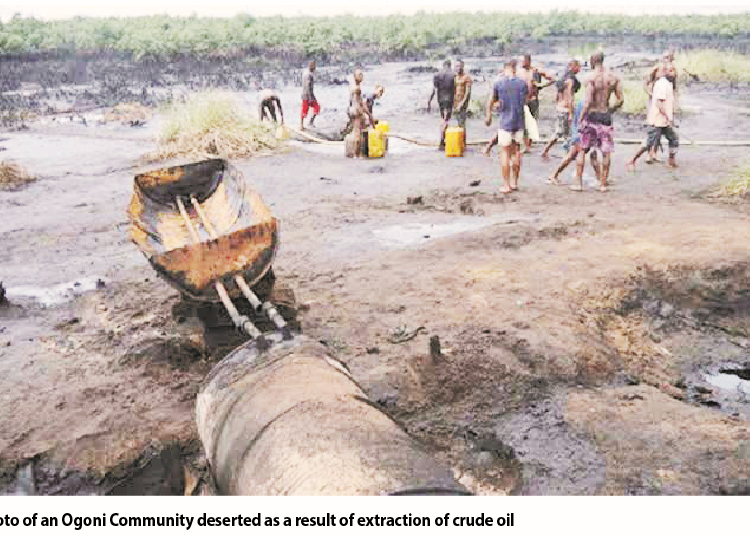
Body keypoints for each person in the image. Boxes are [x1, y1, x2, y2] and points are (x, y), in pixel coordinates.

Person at [571, 52, 624, 193]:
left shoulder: (590, 78)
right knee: (606, 151)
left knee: (582, 149)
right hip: (605, 116)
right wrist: (609, 110)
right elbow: (620, 100)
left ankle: (578, 183)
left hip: (591, 115)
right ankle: (602, 184)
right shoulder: (613, 78)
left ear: (592, 61)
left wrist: (580, 118)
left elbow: (587, 102)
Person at [485, 58, 528, 194]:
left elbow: (491, 101)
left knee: (504, 152)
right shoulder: (522, 83)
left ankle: (506, 184)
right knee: (516, 152)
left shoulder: (498, 83)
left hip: (505, 123)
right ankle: (515, 182)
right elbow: (525, 100)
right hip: (519, 122)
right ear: (515, 68)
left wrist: (489, 116)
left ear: (504, 68)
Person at [626, 72, 678, 170]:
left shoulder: (668, 84)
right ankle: (631, 160)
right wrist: (669, 118)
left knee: (673, 139)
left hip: (663, 121)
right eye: (670, 71)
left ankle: (671, 161)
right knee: (649, 142)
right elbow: (659, 103)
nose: (674, 73)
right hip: (658, 120)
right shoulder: (662, 84)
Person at [541, 59, 581, 159]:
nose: (579, 69)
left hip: (560, 108)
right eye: (578, 67)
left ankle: (547, 150)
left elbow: (558, 95)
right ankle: (567, 154)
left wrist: (558, 105)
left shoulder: (563, 78)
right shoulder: (570, 81)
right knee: (566, 133)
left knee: (561, 132)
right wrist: (571, 113)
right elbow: (569, 97)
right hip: (566, 109)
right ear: (572, 66)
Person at [644, 51, 679, 161]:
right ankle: (650, 153)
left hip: (665, 101)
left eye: (669, 57)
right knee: (655, 130)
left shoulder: (672, 71)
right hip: (657, 101)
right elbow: (647, 82)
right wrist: (650, 93)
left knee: (660, 130)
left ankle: (656, 153)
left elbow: (674, 87)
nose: (667, 59)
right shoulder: (657, 69)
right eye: (665, 57)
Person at [517, 54, 555, 153]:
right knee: (521, 122)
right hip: (521, 100)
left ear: (528, 61)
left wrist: (540, 85)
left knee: (531, 122)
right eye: (520, 61)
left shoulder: (535, 71)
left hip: (533, 100)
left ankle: (528, 145)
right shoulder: (518, 72)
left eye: (523, 61)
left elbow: (552, 79)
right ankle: (522, 143)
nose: (521, 63)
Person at [546, 95, 585, 185]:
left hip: (579, 131)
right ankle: (554, 175)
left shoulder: (583, 103)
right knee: (574, 154)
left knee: (572, 154)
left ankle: (554, 175)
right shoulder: (584, 104)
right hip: (580, 132)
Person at [483, 59, 516, 157]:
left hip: (511, 108)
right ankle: (490, 147)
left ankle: (503, 149)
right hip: (504, 108)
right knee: (505, 129)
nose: (514, 69)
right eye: (513, 67)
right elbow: (492, 98)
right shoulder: (500, 79)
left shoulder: (513, 78)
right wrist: (488, 115)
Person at [427, 59, 456, 150]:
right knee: (446, 120)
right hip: (449, 99)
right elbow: (456, 90)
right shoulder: (453, 75)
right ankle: (442, 140)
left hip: (441, 100)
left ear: (443, 65)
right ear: (450, 65)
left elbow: (434, 90)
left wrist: (429, 101)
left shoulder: (437, 75)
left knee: (443, 119)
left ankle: (443, 139)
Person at [345, 87, 375, 158]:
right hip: (358, 122)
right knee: (358, 138)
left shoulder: (360, 102)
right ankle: (357, 154)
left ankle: (360, 153)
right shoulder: (356, 103)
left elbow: (366, 111)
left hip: (361, 121)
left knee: (362, 136)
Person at [453, 60, 473, 140]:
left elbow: (468, 93)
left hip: (462, 103)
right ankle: (459, 141)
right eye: (456, 66)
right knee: (458, 122)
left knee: (462, 123)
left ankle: (463, 142)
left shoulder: (467, 77)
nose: (457, 68)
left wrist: (462, 103)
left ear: (463, 67)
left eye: (459, 66)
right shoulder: (455, 77)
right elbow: (453, 90)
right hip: (455, 102)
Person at [300, 61, 320, 130]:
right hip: (308, 95)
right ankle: (308, 123)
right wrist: (311, 97)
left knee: (304, 110)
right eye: (314, 66)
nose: (315, 68)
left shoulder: (305, 73)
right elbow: (308, 86)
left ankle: (303, 124)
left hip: (305, 94)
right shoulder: (309, 75)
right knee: (316, 108)